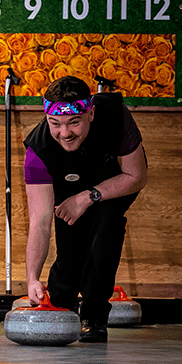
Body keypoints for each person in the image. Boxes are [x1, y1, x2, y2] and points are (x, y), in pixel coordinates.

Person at [23, 76, 147, 343]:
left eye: (74, 122)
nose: (64, 133)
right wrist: (32, 278)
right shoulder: (38, 151)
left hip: (116, 183)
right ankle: (60, 300)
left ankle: (94, 315)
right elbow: (40, 220)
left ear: (90, 113)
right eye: (55, 124)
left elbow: (136, 176)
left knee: (106, 227)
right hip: (68, 190)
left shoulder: (116, 117)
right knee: (69, 256)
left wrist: (88, 197)